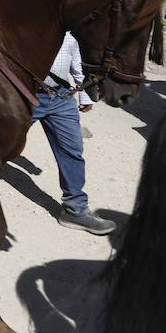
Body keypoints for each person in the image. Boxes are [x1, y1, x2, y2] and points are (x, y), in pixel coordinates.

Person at [33, 32, 116, 235]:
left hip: (62, 97)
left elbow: (77, 66)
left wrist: (85, 96)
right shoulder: (28, 24)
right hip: (29, 95)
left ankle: (75, 210)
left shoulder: (71, 37)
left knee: (72, 151)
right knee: (0, 144)